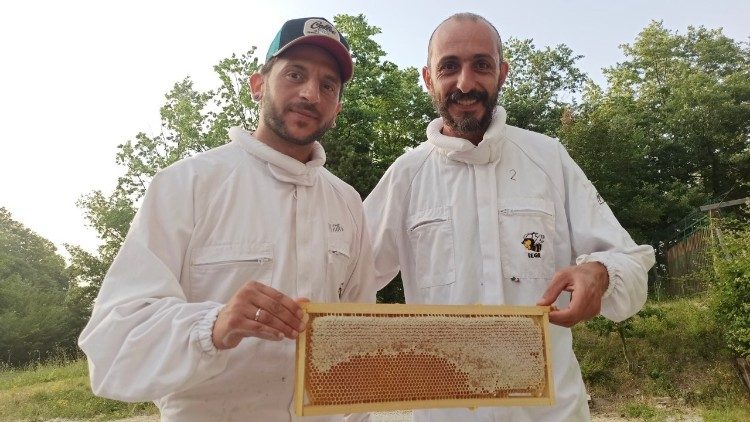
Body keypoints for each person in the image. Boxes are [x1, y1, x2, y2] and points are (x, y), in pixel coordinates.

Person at [79, 17, 376, 421]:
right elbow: (112, 345)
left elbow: (356, 342)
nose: (311, 93)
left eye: (328, 85)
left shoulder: (347, 202)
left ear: (337, 107)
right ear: (258, 85)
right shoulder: (184, 185)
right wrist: (214, 325)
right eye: (295, 74)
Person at [363, 12, 655, 421]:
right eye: (449, 67)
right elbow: (345, 282)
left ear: (501, 73)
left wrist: (601, 273)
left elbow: (633, 262)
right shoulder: (406, 177)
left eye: (481, 65)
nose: (465, 83)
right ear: (428, 79)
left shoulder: (548, 158)